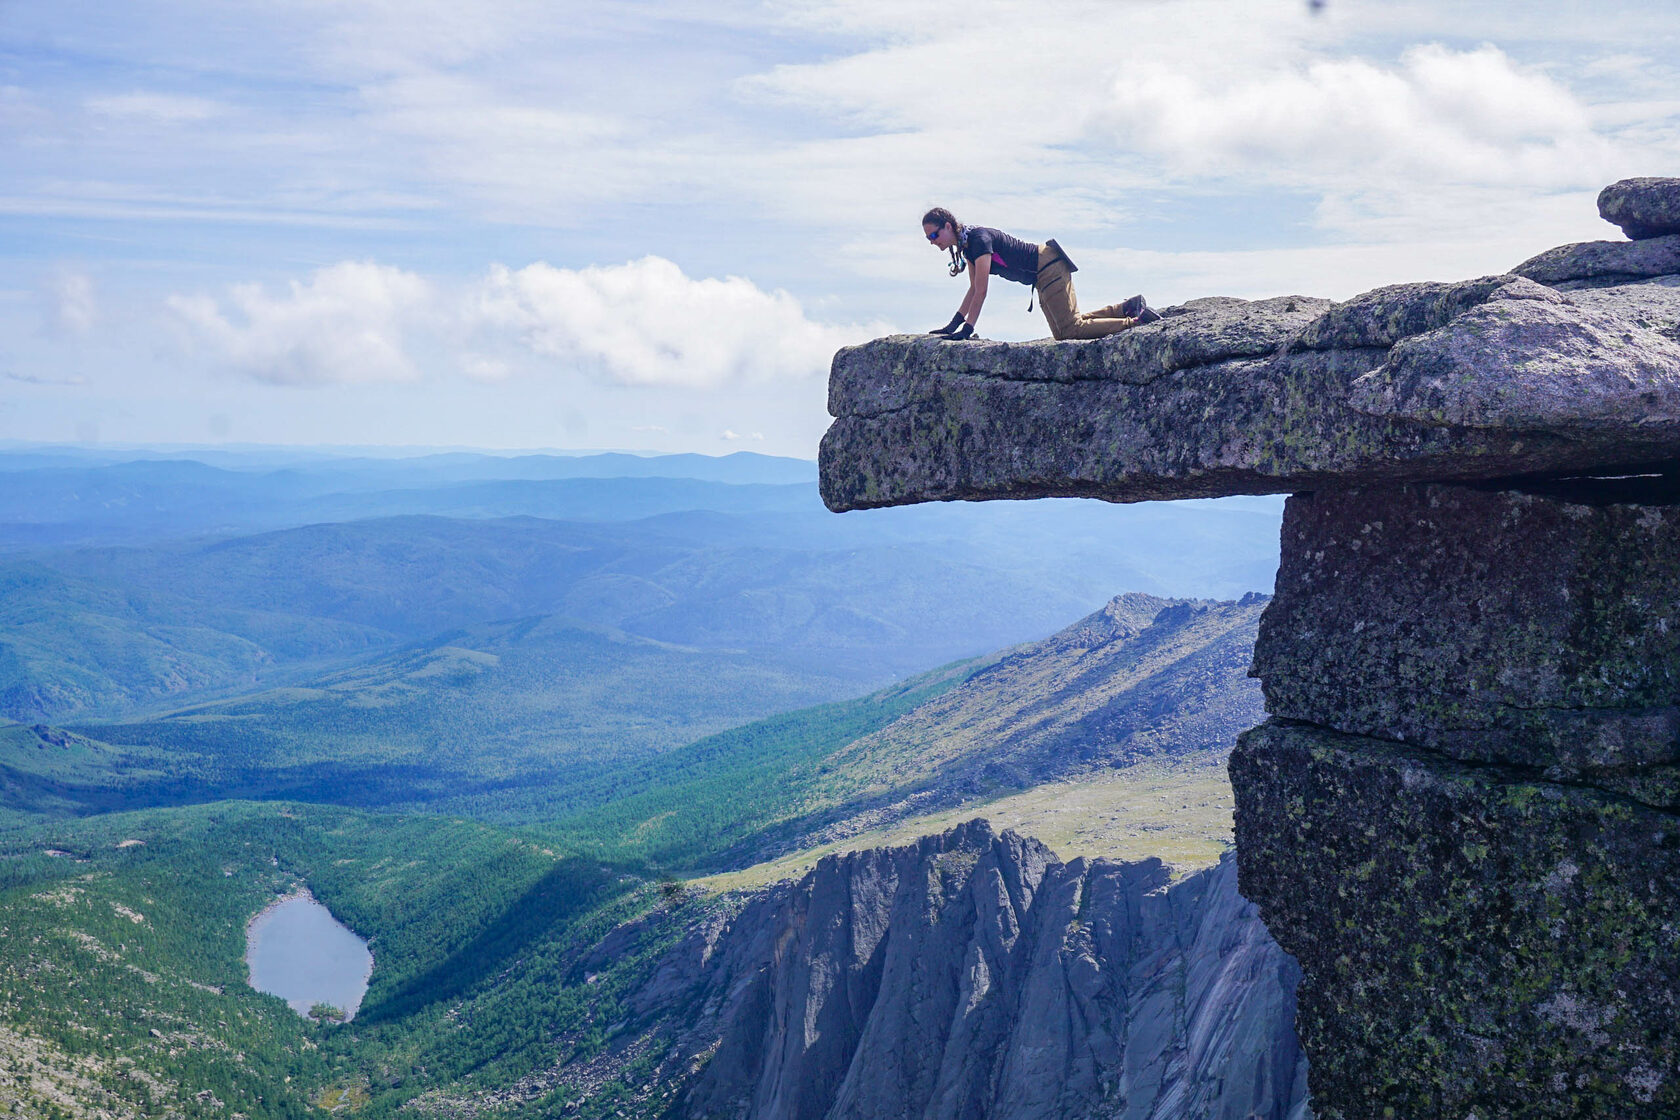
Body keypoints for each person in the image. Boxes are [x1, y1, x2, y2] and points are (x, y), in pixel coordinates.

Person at [920, 207, 1161, 341]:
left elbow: (981, 291)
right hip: (1044, 271)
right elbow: (972, 289)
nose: (932, 242)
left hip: (1048, 267)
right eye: (928, 238)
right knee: (1062, 332)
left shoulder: (978, 241)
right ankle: (1125, 308)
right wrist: (953, 326)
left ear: (948, 227)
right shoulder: (967, 246)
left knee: (1070, 329)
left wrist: (967, 330)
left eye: (934, 235)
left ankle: (1137, 322)